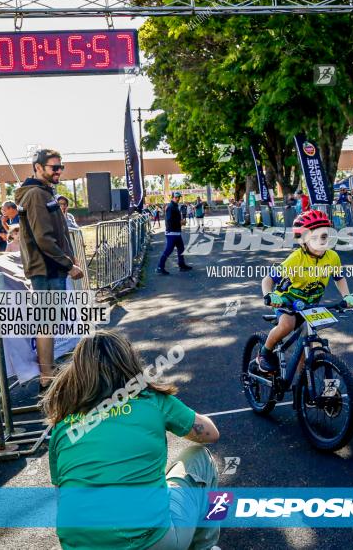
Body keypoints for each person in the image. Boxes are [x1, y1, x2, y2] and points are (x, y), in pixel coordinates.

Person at [43, 330, 221, 550]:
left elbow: (62, 493)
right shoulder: (151, 400)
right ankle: (206, 546)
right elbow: (211, 434)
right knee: (201, 458)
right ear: (130, 362)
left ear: (77, 370)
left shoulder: (63, 423)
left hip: (78, 543)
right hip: (148, 541)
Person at [15, 149, 85, 393]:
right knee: (46, 322)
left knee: (50, 321)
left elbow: (55, 233)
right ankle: (47, 377)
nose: (58, 171)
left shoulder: (44, 192)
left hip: (51, 267)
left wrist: (68, 255)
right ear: (38, 167)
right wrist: (68, 263)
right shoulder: (35, 194)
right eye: (54, 167)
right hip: (46, 269)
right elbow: (43, 238)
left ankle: (48, 373)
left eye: (60, 167)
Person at [256, 210, 353, 373]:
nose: (321, 242)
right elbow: (267, 280)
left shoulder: (332, 257)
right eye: (314, 238)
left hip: (309, 306)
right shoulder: (296, 258)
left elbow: (339, 278)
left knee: (306, 347)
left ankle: (304, 387)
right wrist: (269, 294)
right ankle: (264, 354)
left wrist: (347, 296)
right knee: (287, 325)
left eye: (324, 237)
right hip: (286, 301)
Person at [158, 191, 192, 275]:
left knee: (181, 249)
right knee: (168, 250)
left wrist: (180, 222)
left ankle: (182, 265)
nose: (178, 198)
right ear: (172, 197)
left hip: (176, 232)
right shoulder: (170, 206)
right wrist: (180, 222)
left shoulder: (175, 206)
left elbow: (173, 219)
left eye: (179, 197)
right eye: (176, 197)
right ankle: (160, 267)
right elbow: (169, 220)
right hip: (171, 232)